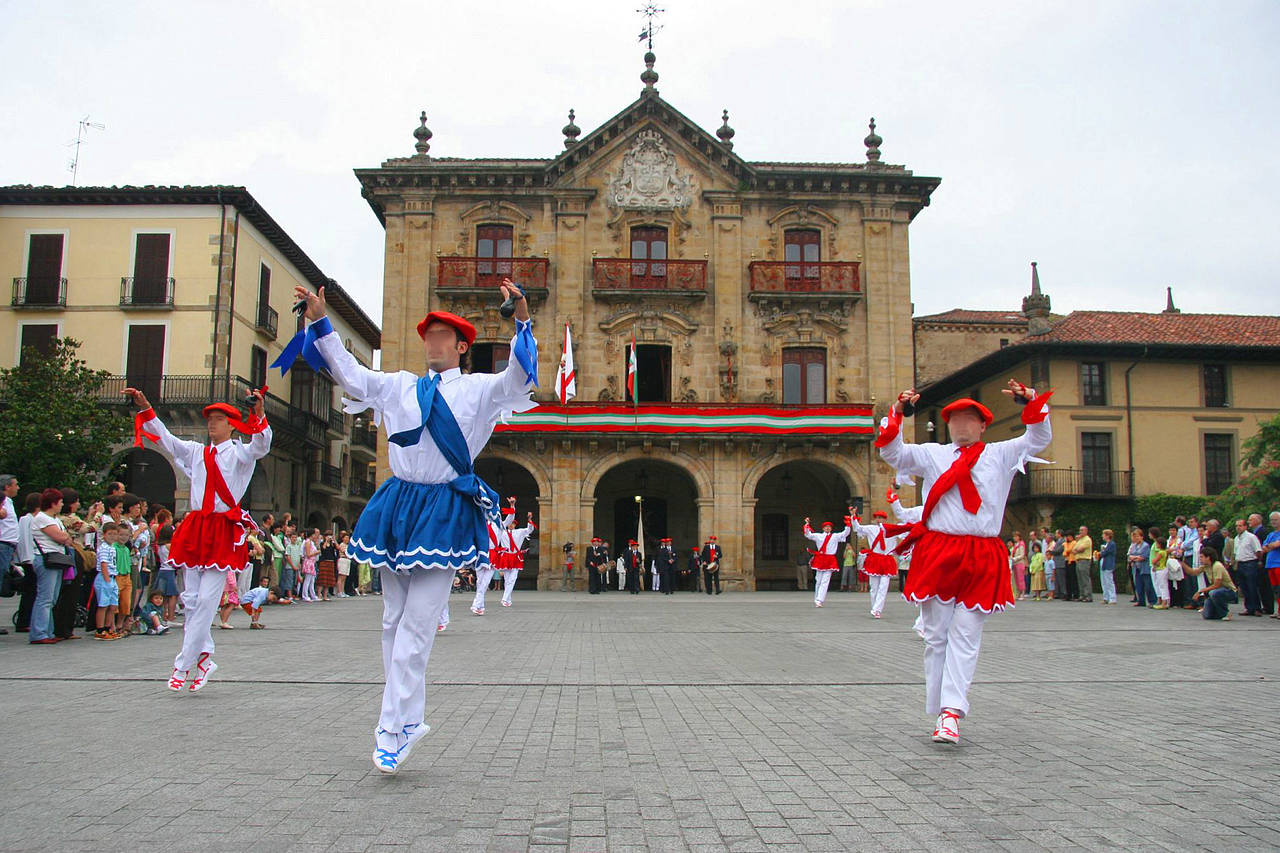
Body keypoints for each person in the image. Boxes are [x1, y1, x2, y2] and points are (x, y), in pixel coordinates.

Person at [292, 277, 536, 774]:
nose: (432, 340)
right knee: (391, 622)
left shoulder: (479, 389)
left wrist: (522, 321)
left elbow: (518, 381)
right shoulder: (400, 384)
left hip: (444, 509)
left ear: (463, 346)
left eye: (443, 334)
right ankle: (409, 721)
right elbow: (354, 377)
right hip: (399, 503)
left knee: (418, 625)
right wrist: (321, 320)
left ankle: (389, 728)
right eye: (428, 334)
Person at [877, 379, 1051, 745]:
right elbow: (893, 454)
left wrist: (1031, 406)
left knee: (967, 633)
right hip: (939, 550)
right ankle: (941, 709)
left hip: (981, 552)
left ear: (983, 425)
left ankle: (951, 713)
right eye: (955, 420)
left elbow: (1036, 440)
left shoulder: (1000, 454)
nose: (962, 426)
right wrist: (897, 413)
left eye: (970, 419)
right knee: (937, 636)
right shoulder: (933, 455)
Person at [125, 385, 271, 691]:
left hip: (221, 530)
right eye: (210, 419)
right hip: (195, 528)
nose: (211, 423)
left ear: (232, 424)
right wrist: (145, 405)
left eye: (218, 419)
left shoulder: (241, 454)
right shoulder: (196, 452)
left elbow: (261, 445)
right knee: (191, 600)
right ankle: (205, 659)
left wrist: (258, 412)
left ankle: (183, 665)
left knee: (205, 601)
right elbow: (165, 439)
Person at [28, 488, 75, 644]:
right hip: (45, 558)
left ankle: (48, 631)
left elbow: (65, 538)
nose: (62, 505)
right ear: (53, 503)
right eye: (60, 502)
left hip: (56, 558)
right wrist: (65, 537)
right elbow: (61, 537)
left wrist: (65, 537)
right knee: (45, 597)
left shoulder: (55, 519)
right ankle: (39, 633)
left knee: (52, 598)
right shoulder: (42, 518)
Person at [850, 509, 901, 618]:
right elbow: (857, 528)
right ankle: (875, 608)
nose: (878, 520)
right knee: (874, 587)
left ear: (885, 519)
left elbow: (905, 533)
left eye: (881, 518)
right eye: (877, 518)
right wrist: (853, 516)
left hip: (887, 559)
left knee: (883, 586)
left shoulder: (892, 529)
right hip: (875, 559)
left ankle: (877, 609)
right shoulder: (871, 528)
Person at [803, 514, 853, 608]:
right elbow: (808, 535)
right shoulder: (818, 536)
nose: (827, 528)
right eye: (826, 527)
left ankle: (820, 600)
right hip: (820, 559)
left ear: (831, 528)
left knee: (825, 580)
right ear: (823, 528)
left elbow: (845, 533)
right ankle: (817, 598)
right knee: (818, 580)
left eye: (829, 527)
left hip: (830, 559)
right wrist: (807, 525)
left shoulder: (835, 536)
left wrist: (848, 524)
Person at [499, 507, 536, 608]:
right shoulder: (502, 532)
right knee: (507, 579)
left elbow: (530, 530)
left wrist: (529, 520)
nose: (511, 525)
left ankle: (505, 598)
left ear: (515, 525)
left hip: (515, 557)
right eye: (510, 523)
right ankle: (508, 599)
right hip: (506, 556)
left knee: (513, 578)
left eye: (513, 523)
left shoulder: (519, 532)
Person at [1190, 546, 1238, 620]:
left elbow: (1217, 584)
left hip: (1229, 591)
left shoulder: (1217, 566)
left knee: (1213, 593)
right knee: (1207, 615)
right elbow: (1193, 572)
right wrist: (1181, 563)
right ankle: (1218, 612)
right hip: (1217, 591)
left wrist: (1200, 591)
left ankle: (1225, 613)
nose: (1200, 559)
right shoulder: (1205, 566)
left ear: (1208, 557)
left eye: (1202, 557)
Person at [93, 522, 123, 640]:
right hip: (104, 577)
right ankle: (100, 630)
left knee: (113, 605)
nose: (112, 536)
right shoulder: (104, 548)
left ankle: (108, 627)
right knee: (103, 605)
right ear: (104, 535)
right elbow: (104, 564)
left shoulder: (112, 548)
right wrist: (107, 580)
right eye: (109, 534)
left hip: (112, 577)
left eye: (114, 534)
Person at [1232, 518, 1264, 617]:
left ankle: (1256, 608)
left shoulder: (1251, 537)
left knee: (1252, 586)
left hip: (1250, 562)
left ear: (1245, 527)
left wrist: (1258, 561)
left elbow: (1258, 550)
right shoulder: (1237, 538)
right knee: (1244, 587)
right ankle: (1249, 608)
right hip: (1240, 563)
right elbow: (1236, 552)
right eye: (1236, 526)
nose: (1238, 528)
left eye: (1240, 525)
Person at [1127, 528, 1153, 607]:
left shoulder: (1145, 546)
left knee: (1148, 585)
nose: (1136, 538)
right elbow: (1129, 555)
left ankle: (1152, 601)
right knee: (1138, 585)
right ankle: (1141, 601)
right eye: (1135, 537)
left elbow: (1143, 557)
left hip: (1144, 568)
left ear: (1142, 537)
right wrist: (1135, 557)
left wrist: (1134, 557)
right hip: (1136, 567)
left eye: (1138, 536)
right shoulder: (1134, 546)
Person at [1150, 530, 1171, 610]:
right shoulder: (1165, 552)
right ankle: (1166, 601)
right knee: (1163, 585)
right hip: (1162, 568)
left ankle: (1164, 602)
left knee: (1162, 586)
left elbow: (1154, 561)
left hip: (1160, 570)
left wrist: (1154, 561)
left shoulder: (1161, 552)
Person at [1097, 528, 1117, 605]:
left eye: (1104, 535)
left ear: (1108, 536)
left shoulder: (1112, 544)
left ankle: (1112, 598)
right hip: (1103, 564)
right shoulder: (1106, 544)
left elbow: (1105, 552)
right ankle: (1106, 598)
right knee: (1104, 582)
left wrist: (1099, 553)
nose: (1102, 536)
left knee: (1109, 581)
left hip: (1108, 564)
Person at [317, 531, 338, 601]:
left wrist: (334, 541)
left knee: (328, 581)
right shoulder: (322, 543)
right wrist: (326, 541)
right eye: (328, 536)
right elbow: (323, 548)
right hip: (324, 562)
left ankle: (325, 596)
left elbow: (338, 548)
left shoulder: (332, 544)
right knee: (322, 579)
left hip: (331, 562)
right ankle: (319, 595)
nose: (329, 537)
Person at [338, 531, 354, 597]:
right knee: (341, 577)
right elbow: (345, 552)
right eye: (346, 538)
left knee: (344, 578)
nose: (347, 539)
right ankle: (339, 591)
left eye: (348, 538)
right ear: (343, 538)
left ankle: (343, 591)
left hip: (347, 560)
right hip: (343, 560)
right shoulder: (342, 544)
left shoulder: (348, 545)